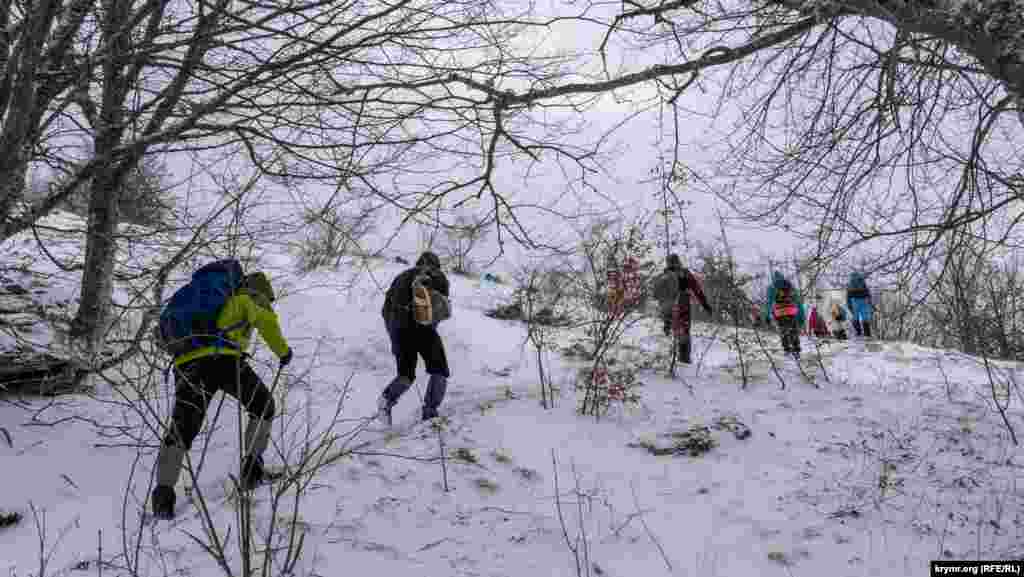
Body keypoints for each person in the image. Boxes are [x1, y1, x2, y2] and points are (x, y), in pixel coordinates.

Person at [152, 270, 293, 519]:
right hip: (224, 360)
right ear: (261, 291)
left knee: (182, 427)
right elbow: (267, 323)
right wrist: (283, 352)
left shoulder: (209, 298)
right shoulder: (249, 297)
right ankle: (252, 471)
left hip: (187, 364)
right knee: (263, 405)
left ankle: (163, 497)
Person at [378, 251, 451, 423]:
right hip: (422, 330)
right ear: (435, 265)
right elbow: (440, 309)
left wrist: (395, 334)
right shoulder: (436, 275)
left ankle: (386, 400)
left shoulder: (400, 277)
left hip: (399, 330)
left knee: (406, 374)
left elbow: (385, 311)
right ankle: (430, 413)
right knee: (439, 370)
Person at [654, 254, 712, 364]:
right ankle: (684, 358)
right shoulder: (685, 273)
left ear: (667, 262)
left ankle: (672, 358)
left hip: (668, 306)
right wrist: (705, 305)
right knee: (684, 330)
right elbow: (696, 289)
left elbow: (658, 295)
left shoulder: (664, 275)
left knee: (671, 331)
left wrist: (663, 311)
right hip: (683, 303)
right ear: (678, 261)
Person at [763, 271, 805, 359]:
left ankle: (787, 350)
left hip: (780, 313)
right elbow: (798, 301)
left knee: (784, 331)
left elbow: (769, 303)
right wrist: (801, 315)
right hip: (791, 311)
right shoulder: (790, 285)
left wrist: (767, 315)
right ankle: (796, 350)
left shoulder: (772, 287)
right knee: (793, 331)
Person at [846, 271, 874, 338]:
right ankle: (867, 334)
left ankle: (858, 333)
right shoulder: (862, 281)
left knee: (855, 317)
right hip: (864, 300)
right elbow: (868, 292)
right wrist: (870, 303)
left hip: (854, 300)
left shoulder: (850, 283)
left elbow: (848, 295)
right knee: (865, 317)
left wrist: (849, 305)